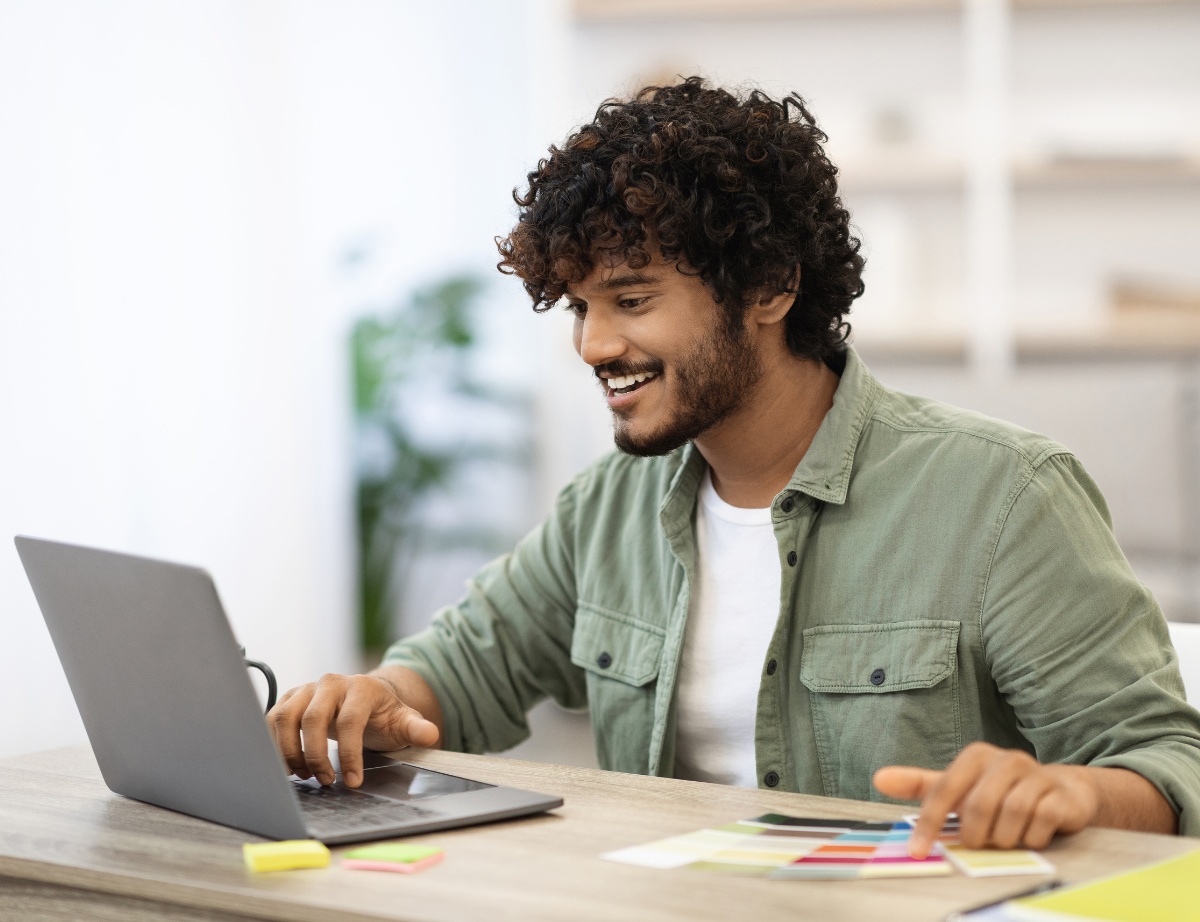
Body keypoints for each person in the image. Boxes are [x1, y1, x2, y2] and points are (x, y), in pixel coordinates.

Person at [268, 78, 1200, 857]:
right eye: (579, 309)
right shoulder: (608, 508)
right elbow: (459, 674)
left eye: (631, 299)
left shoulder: (1003, 497)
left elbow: (1164, 766)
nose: (594, 344)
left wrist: (1064, 793)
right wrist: (371, 702)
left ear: (768, 286)